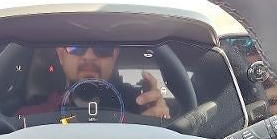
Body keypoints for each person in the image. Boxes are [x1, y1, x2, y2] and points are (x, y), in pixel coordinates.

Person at [16, 46, 170, 119]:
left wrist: (158, 123)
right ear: (61, 55)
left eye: (102, 48)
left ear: (114, 57)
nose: (89, 56)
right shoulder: (29, 119)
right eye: (76, 46)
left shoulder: (138, 109)